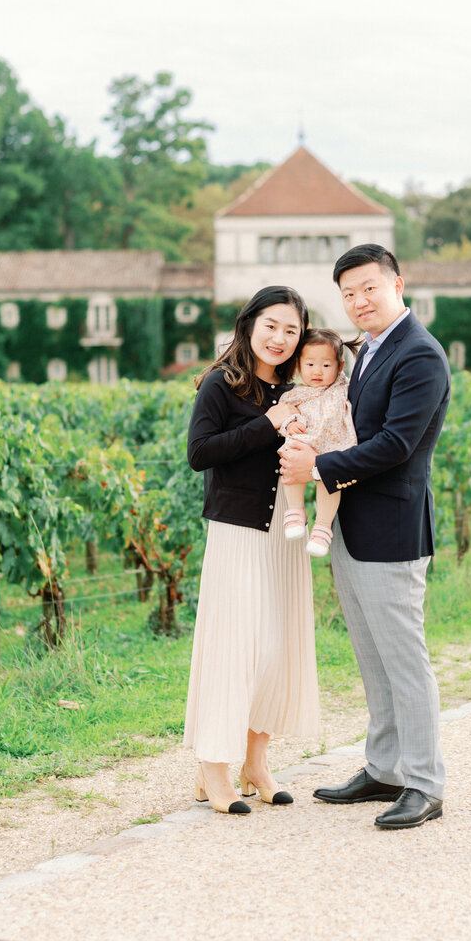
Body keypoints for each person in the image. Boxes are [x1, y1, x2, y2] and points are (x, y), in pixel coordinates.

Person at [280, 244, 450, 830]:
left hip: (393, 528)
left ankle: (425, 783)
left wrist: (318, 470)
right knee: (373, 658)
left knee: (405, 660)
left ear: (398, 284)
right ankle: (385, 768)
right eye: (348, 293)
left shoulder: (420, 355)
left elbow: (398, 445)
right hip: (349, 525)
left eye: (368, 288)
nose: (359, 301)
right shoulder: (367, 352)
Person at [184, 286, 320, 814]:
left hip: (285, 534)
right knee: (233, 649)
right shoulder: (222, 385)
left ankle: (255, 761)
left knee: (275, 650)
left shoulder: (300, 391)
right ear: (249, 325)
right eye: (272, 325)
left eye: (292, 329)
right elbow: (200, 453)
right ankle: (212, 768)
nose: (281, 338)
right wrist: (268, 424)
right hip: (238, 532)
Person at [277, 328, 358, 558]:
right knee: (289, 463)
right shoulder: (296, 394)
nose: (317, 372)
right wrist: (290, 424)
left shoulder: (342, 388)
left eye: (326, 365)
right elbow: (283, 415)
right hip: (303, 443)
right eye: (310, 364)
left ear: (340, 367)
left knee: (330, 479)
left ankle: (322, 528)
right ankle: (295, 511)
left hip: (331, 447)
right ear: (299, 365)